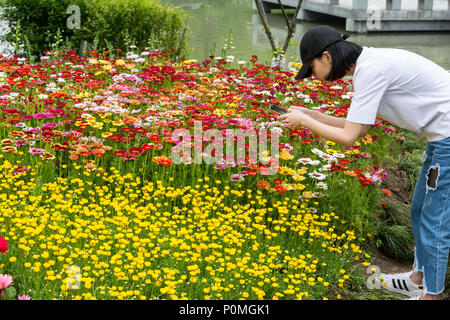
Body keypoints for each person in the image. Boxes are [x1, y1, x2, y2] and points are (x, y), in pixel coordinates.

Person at [279, 25, 450, 300]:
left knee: (435, 219)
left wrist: (306, 122)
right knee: (420, 209)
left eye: (311, 68)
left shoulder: (370, 71)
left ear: (326, 57)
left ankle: (431, 295)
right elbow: (359, 128)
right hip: (440, 136)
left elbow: (348, 137)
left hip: (447, 138)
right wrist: (310, 114)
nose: (313, 76)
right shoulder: (370, 65)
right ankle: (419, 277)